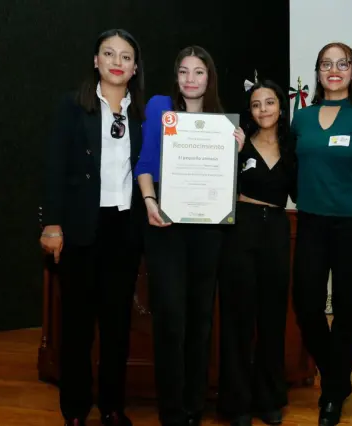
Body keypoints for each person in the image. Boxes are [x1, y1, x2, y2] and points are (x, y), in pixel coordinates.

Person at [134, 45, 245, 426]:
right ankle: (171, 410)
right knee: (170, 318)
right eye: (184, 71)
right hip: (165, 223)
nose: (191, 79)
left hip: (209, 228)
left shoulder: (222, 122)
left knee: (200, 319)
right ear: (176, 76)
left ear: (209, 78)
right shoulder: (159, 107)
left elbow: (229, 184)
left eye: (199, 72)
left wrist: (236, 152)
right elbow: (145, 162)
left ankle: (194, 407)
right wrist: (149, 200)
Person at [39, 28, 146, 426]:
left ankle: (112, 407)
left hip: (124, 227)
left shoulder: (146, 114)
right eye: (109, 53)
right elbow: (53, 168)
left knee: (118, 324)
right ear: (96, 61)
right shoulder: (72, 106)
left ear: (135, 67)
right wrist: (51, 223)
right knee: (78, 326)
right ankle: (75, 409)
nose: (117, 62)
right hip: (81, 226)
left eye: (126, 56)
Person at [290, 41, 352, 426]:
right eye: (326, 64)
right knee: (307, 305)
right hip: (311, 223)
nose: (334, 70)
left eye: (342, 64)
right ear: (317, 72)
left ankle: (332, 395)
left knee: (346, 312)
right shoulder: (303, 118)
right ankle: (337, 374)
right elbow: (292, 169)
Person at [217, 79, 297, 426]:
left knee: (272, 319)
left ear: (281, 106)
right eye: (255, 104)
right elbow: (217, 186)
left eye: (269, 102)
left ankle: (269, 399)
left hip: (277, 231)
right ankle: (236, 404)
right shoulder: (236, 143)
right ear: (249, 111)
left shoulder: (294, 147)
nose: (263, 109)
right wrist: (230, 156)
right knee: (237, 319)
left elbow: (302, 191)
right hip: (240, 230)